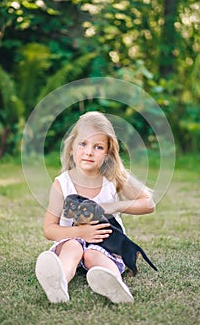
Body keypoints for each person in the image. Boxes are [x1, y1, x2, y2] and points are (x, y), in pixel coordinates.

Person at [35, 111, 155, 304]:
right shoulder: (62, 184)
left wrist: (113, 205)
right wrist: (80, 233)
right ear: (72, 148)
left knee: (93, 255)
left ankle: (114, 283)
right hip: (72, 241)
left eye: (98, 147)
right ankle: (59, 283)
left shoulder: (113, 177)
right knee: (73, 247)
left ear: (108, 154)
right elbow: (49, 229)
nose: (89, 152)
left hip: (105, 245)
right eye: (83, 144)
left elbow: (148, 204)